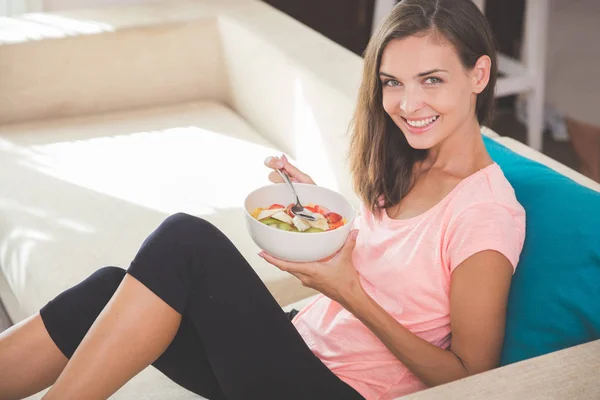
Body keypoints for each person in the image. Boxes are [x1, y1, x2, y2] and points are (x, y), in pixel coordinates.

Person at [0, 0, 525, 399]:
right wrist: (314, 210)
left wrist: (350, 295)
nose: (408, 104)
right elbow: (392, 266)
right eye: (393, 82)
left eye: (431, 80)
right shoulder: (412, 159)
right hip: (298, 345)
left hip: (335, 388)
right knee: (107, 289)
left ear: (478, 74)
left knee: (187, 241)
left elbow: (472, 378)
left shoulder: (484, 213)